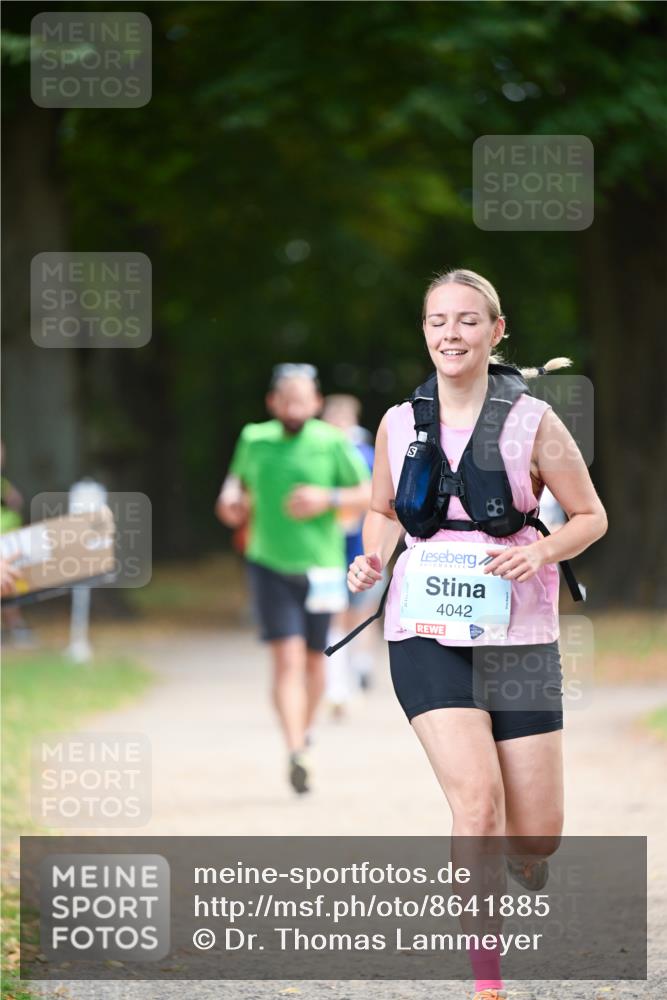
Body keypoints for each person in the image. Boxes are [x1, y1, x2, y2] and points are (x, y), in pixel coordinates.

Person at [348, 269, 607, 1000]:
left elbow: (589, 516)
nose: (450, 334)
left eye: (467, 320)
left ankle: (527, 860)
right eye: (437, 321)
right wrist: (370, 556)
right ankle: (485, 980)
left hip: (518, 633)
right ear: (424, 332)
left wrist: (539, 550)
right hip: (424, 627)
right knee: (476, 803)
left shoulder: (532, 421)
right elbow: (383, 509)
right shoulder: (400, 422)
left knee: (534, 834)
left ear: (495, 332)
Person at [216, 364, 371, 794]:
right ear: (272, 403)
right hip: (267, 562)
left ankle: (304, 735)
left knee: (313, 660)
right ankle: (295, 748)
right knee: (285, 659)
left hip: (322, 568)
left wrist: (327, 497)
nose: (293, 408)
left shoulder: (332, 442)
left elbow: (368, 493)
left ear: (316, 403)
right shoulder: (254, 438)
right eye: (286, 401)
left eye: (302, 401)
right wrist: (230, 503)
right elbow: (233, 488)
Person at [322, 394, 382, 714]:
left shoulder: (367, 453)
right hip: (332, 547)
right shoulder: (320, 452)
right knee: (337, 613)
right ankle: (338, 682)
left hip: (364, 543)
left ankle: (360, 666)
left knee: (364, 611)